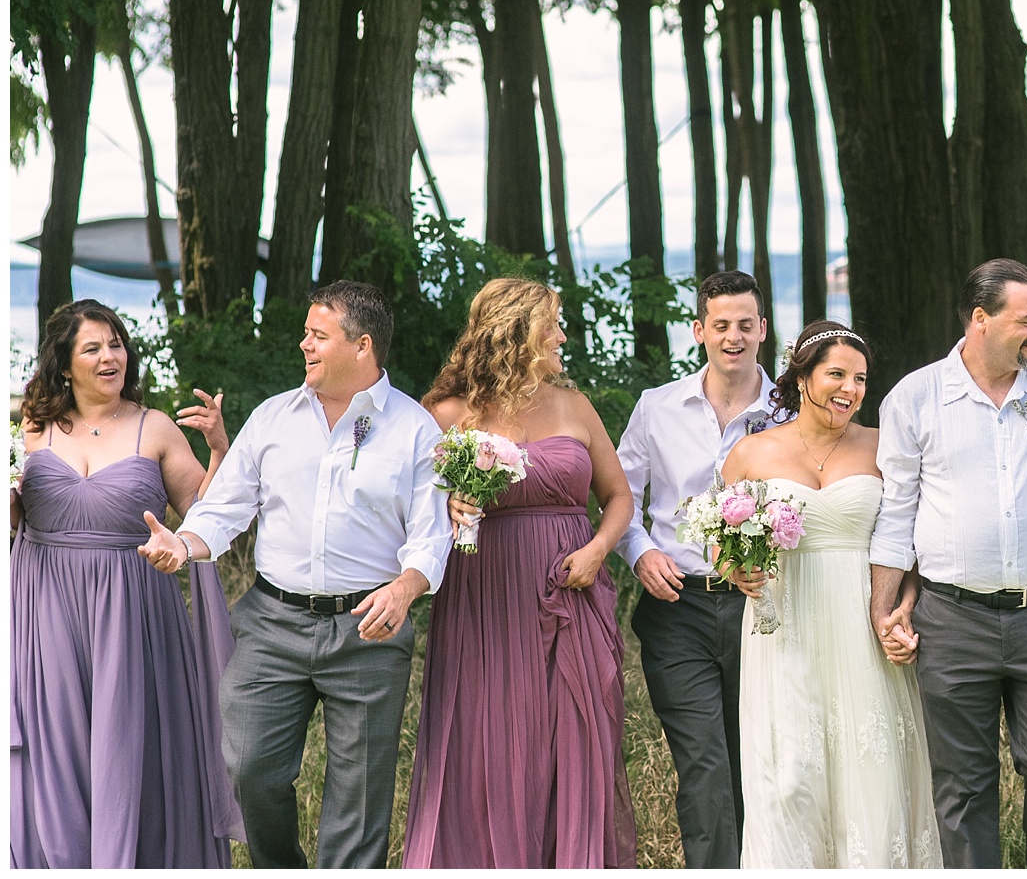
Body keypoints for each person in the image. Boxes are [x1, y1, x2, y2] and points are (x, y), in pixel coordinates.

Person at [140, 280, 451, 868]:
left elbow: (430, 536)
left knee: (357, 801)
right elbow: (225, 506)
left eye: (318, 334)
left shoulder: (415, 429)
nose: (303, 343)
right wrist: (183, 545)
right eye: (306, 332)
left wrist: (406, 588)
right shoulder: (273, 418)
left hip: (368, 630)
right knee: (249, 766)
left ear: (362, 346)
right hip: (269, 623)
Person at [869, 258, 1027, 869]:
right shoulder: (916, 396)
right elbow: (896, 513)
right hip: (951, 620)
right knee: (962, 785)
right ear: (980, 320)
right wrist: (883, 610)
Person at [401, 278, 636, 867]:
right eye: (552, 324)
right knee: (489, 739)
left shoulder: (574, 406)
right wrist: (448, 505)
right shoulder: (449, 413)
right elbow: (412, 504)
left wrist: (599, 549)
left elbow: (619, 497)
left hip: (569, 586)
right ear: (515, 333)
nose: (562, 335)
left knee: (576, 737)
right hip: (486, 594)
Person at [13, 300, 240, 867]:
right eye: (92, 348)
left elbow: (205, 513)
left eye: (115, 344)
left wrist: (218, 448)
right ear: (65, 364)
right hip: (47, 610)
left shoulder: (154, 426)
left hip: (135, 612)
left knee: (126, 749)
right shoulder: (33, 429)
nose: (109, 356)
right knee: (58, 745)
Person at [719, 320, 941, 868]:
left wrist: (904, 609)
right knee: (791, 775)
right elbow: (723, 544)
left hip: (862, 623)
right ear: (802, 377)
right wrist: (736, 572)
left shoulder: (883, 447)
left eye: (860, 378)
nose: (850, 389)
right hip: (784, 625)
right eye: (836, 374)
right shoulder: (749, 453)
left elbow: (907, 544)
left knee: (870, 769)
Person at [617, 269, 776, 867]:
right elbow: (620, 497)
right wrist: (641, 552)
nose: (732, 337)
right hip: (676, 606)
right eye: (720, 325)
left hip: (763, 607)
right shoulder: (657, 408)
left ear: (762, 329)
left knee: (755, 758)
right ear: (698, 331)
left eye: (744, 325)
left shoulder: (788, 411)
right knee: (703, 762)